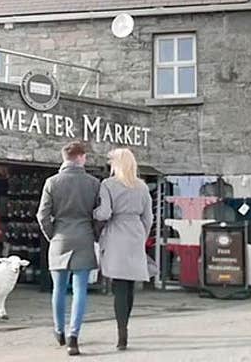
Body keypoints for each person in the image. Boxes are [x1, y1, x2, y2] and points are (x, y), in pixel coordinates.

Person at [36, 141, 101, 356]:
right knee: (80, 288)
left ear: (64, 157)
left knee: (59, 289)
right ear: (81, 157)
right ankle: (74, 336)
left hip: (60, 238)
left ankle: (59, 331)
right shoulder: (93, 183)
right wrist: (95, 233)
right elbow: (99, 214)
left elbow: (42, 216)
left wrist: (52, 235)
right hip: (83, 236)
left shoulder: (51, 182)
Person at [93, 148, 154, 351]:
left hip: (117, 232)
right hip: (135, 232)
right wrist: (142, 235)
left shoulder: (108, 184)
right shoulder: (142, 186)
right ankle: (125, 327)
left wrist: (93, 213)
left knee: (119, 284)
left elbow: (105, 212)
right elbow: (149, 217)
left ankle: (122, 334)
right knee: (129, 284)